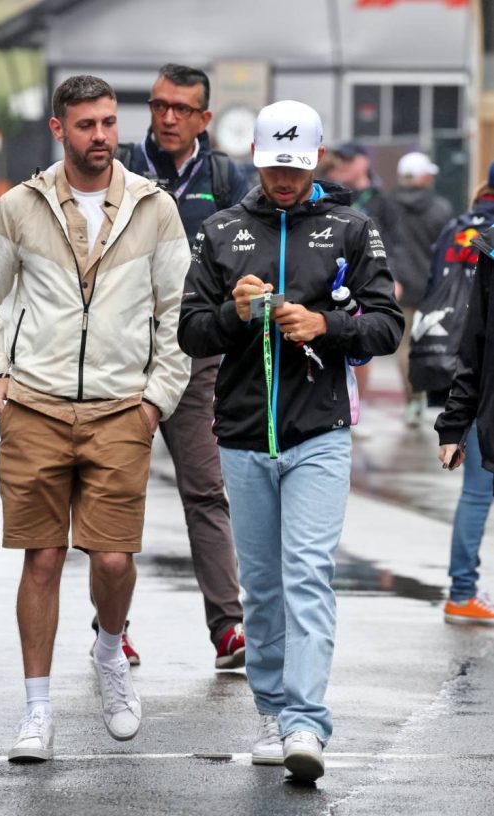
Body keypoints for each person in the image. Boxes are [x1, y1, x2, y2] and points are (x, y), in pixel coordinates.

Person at [0, 75, 191, 762]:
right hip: (34, 405)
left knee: (114, 558)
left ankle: (110, 650)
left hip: (122, 407)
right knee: (42, 557)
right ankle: (37, 711)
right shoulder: (22, 206)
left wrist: (157, 399)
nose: (101, 136)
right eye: (86, 124)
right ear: (59, 129)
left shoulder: (153, 208)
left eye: (109, 123)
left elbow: (177, 313)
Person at [178, 100, 403, 781]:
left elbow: (387, 325)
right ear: (255, 156)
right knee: (266, 588)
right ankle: (272, 712)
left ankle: (306, 722)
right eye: (275, 166)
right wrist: (234, 312)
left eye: (296, 167)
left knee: (306, 574)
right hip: (243, 435)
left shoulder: (349, 228)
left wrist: (324, 328)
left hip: (319, 434)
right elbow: (190, 331)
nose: (284, 179)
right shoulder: (219, 232)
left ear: (315, 159)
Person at [104, 63, 249, 670]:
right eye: (160, 105)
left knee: (206, 492)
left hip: (198, 355)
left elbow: (252, 246)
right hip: (123, 356)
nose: (167, 117)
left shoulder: (225, 177)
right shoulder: (121, 167)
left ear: (203, 119)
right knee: (115, 495)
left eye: (182, 109)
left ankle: (228, 629)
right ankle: (111, 631)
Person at [433, 164, 494, 625]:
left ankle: (461, 590)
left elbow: (471, 345)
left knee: (475, 495)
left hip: (480, 392)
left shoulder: (463, 230)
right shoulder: (485, 246)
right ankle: (461, 591)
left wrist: (454, 421)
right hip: (483, 392)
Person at [330, 142, 406, 410]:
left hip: (366, 276)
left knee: (360, 343)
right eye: (339, 161)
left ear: (364, 162)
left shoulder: (381, 199)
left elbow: (394, 242)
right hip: (333, 276)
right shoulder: (330, 194)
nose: (343, 167)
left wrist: (393, 278)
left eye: (349, 161)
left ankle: (355, 405)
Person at [389, 152, 453, 427]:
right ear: (424, 177)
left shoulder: (388, 205)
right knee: (433, 344)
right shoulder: (441, 208)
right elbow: (447, 248)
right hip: (433, 286)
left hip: (399, 285)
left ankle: (412, 401)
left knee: (404, 347)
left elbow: (383, 244)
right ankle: (431, 397)